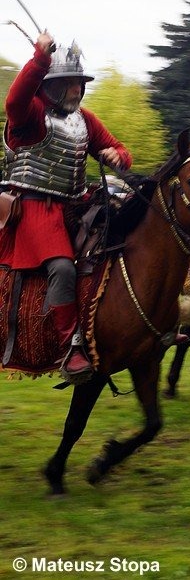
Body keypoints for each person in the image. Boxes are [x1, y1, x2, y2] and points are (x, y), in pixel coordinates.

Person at [0, 32, 133, 385]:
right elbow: (13, 101)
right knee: (62, 267)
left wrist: (116, 156)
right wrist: (39, 58)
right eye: (70, 84)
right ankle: (70, 347)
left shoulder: (84, 119)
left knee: (126, 237)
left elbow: (120, 149)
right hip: (34, 209)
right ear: (51, 85)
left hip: (75, 205)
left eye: (80, 84)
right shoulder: (30, 115)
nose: (77, 90)